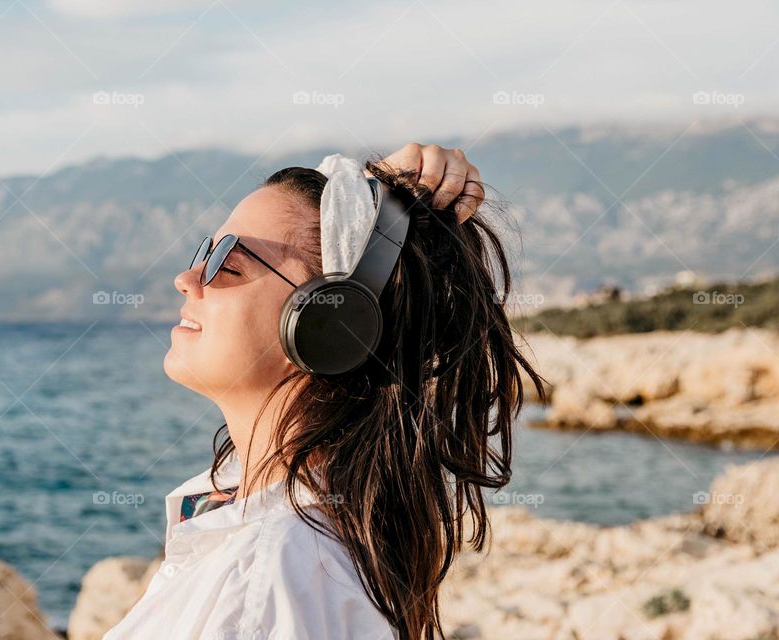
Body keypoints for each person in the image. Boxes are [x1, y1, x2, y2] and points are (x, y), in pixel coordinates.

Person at [103, 143, 545, 639]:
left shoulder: (273, 583)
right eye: (205, 252)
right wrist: (376, 192)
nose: (186, 279)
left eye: (228, 262)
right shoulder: (261, 527)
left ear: (330, 322)